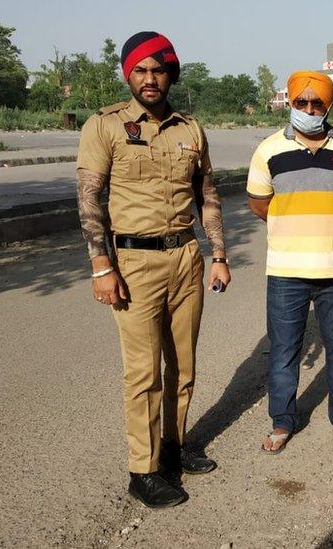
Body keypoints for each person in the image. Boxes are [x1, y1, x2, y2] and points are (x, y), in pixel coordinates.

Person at [76, 31, 231, 509]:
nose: (149, 79)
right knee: (144, 373)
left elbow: (207, 197)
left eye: (158, 70)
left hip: (186, 257)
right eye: (140, 70)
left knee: (182, 367)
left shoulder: (191, 129)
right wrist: (102, 266)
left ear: (170, 74)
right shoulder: (104, 127)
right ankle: (142, 471)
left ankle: (172, 449)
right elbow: (89, 199)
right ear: (128, 74)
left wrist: (220, 254)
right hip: (134, 263)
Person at [246, 71, 333, 453]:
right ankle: (283, 421)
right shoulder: (268, 150)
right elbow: (260, 203)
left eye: (317, 104)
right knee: (284, 351)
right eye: (301, 103)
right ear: (291, 103)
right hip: (285, 272)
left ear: (329, 106)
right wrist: (294, 223)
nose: (309, 110)